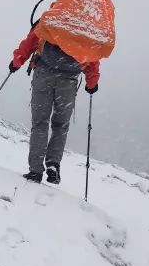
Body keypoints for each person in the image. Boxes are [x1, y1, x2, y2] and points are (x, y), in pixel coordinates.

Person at [9, 26, 99, 185]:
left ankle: (35, 171)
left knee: (40, 124)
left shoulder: (53, 17)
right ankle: (53, 164)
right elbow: (93, 58)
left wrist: (17, 62)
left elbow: (31, 41)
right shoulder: (87, 27)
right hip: (68, 82)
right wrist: (91, 82)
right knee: (60, 126)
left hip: (44, 75)